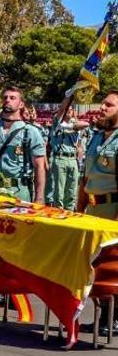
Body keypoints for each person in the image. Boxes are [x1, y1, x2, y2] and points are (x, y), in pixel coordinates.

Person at [79, 90, 118, 336]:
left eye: (109, 104)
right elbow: (86, 179)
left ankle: (113, 318)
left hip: (112, 209)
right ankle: (103, 315)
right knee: (94, 265)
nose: (102, 108)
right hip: (93, 209)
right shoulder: (96, 137)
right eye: (103, 103)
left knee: (112, 266)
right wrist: (78, 211)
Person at [0, 87, 46, 202]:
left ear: (21, 104)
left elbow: (39, 167)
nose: (7, 100)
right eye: (5, 97)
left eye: (12, 98)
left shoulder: (30, 131)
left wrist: (39, 198)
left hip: (19, 190)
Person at [47, 98, 88, 210]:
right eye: (67, 109)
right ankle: (58, 217)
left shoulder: (76, 125)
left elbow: (86, 124)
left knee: (71, 192)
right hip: (60, 158)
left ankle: (69, 214)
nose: (69, 110)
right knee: (59, 193)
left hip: (73, 160)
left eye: (71, 109)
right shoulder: (57, 123)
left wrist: (69, 126)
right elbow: (60, 112)